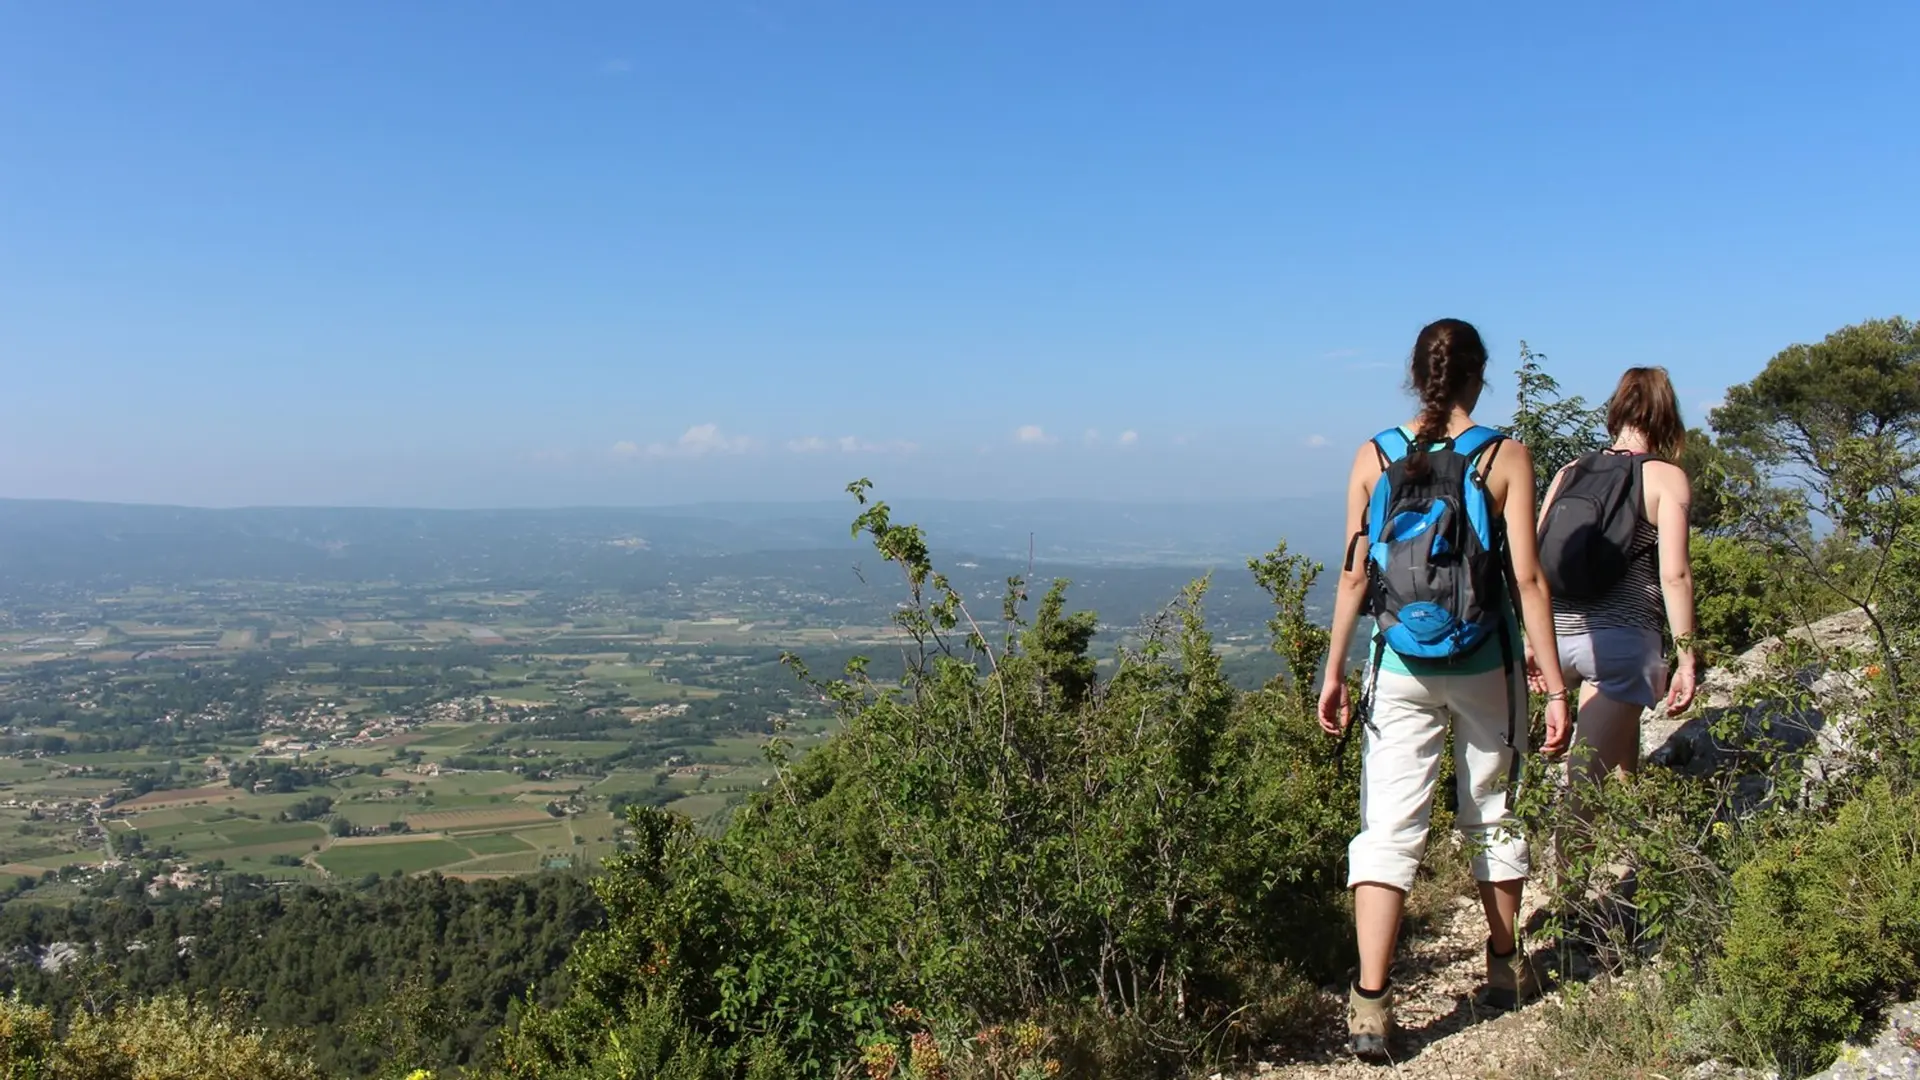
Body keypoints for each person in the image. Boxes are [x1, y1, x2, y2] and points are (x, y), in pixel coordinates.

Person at [1318, 317, 1572, 1063]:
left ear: (1415, 372)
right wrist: (1554, 686)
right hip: (1484, 665)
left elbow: (1355, 572)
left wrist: (1334, 671)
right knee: (1489, 811)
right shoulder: (1504, 456)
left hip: (1396, 666)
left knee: (1387, 829)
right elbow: (1527, 579)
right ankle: (1503, 968)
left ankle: (1370, 1005)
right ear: (1477, 376)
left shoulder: (1374, 455)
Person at [1534, 368, 1699, 813]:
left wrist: (1535, 644)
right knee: (1582, 788)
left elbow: (1534, 566)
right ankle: (1572, 886)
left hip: (1558, 638)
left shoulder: (1570, 472)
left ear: (1617, 411)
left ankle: (1630, 873)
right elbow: (1675, 576)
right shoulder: (1666, 477)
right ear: (1666, 415)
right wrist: (1686, 660)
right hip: (1621, 646)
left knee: (1623, 770)